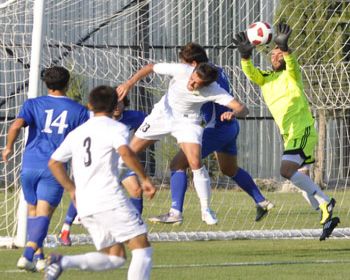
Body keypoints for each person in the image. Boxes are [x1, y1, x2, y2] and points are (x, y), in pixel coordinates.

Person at [233, 23, 340, 240]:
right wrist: (245, 57)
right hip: (290, 134)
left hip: (301, 131)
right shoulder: (265, 78)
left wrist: (286, 48)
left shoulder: (292, 76)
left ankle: (325, 202)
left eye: (279, 53)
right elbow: (252, 73)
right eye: (274, 52)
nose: (276, 56)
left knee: (285, 170)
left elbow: (291, 63)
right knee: (301, 177)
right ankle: (326, 216)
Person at [148, 43, 274, 225]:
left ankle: (175, 212)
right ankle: (261, 201)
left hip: (216, 129)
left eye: (183, 63)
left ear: (192, 63)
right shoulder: (215, 71)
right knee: (229, 169)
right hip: (229, 127)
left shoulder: (205, 80)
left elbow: (234, 105)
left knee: (178, 164)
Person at [117, 61, 249, 225]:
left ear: (207, 85)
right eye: (192, 78)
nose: (191, 84)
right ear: (193, 71)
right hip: (162, 116)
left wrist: (233, 113)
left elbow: (243, 108)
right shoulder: (182, 70)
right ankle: (102, 197)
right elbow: (150, 66)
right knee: (127, 154)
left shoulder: (214, 90)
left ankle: (206, 210)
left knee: (195, 162)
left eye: (197, 84)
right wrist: (128, 84)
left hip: (187, 122)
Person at [46, 85, 156, 280]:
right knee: (142, 249)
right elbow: (125, 151)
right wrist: (144, 178)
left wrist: (72, 190)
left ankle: (63, 262)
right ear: (115, 106)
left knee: (115, 257)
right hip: (109, 199)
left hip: (86, 204)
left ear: (89, 105)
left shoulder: (78, 132)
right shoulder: (116, 127)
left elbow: (54, 162)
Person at [1, 66, 90, 271]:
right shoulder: (79, 111)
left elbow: (15, 126)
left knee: (33, 213)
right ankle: (27, 254)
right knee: (44, 215)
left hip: (29, 164)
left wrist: (7, 148)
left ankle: (39, 258)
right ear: (67, 84)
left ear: (46, 84)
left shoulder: (33, 104)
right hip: (54, 167)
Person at [58, 97, 147, 246]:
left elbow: (153, 123)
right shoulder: (97, 119)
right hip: (102, 164)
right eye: (115, 102)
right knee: (83, 192)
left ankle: (132, 231)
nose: (118, 106)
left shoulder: (135, 117)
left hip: (122, 164)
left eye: (121, 102)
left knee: (136, 190)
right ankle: (65, 230)